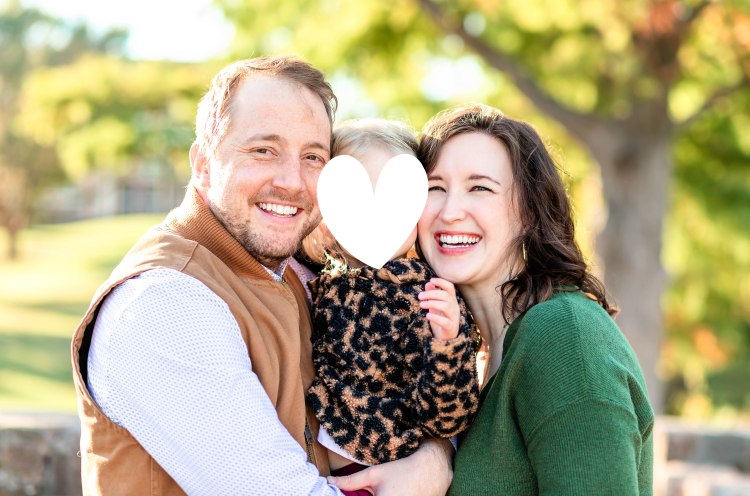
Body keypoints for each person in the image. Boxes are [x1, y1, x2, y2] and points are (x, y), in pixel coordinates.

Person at [70, 56, 453, 496]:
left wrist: (435, 452)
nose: (292, 182)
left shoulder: (296, 277)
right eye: (263, 150)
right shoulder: (164, 304)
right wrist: (426, 474)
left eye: (313, 157)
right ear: (203, 164)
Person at [415, 104, 655, 495]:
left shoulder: (563, 335)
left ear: (529, 212)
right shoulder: (466, 362)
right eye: (434, 188)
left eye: (480, 188)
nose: (451, 211)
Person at [301, 119, 479, 476]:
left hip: (396, 467)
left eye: (397, 202)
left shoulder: (427, 296)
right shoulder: (323, 283)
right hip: (326, 469)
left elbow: (448, 419)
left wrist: (447, 344)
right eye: (354, 202)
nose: (376, 218)